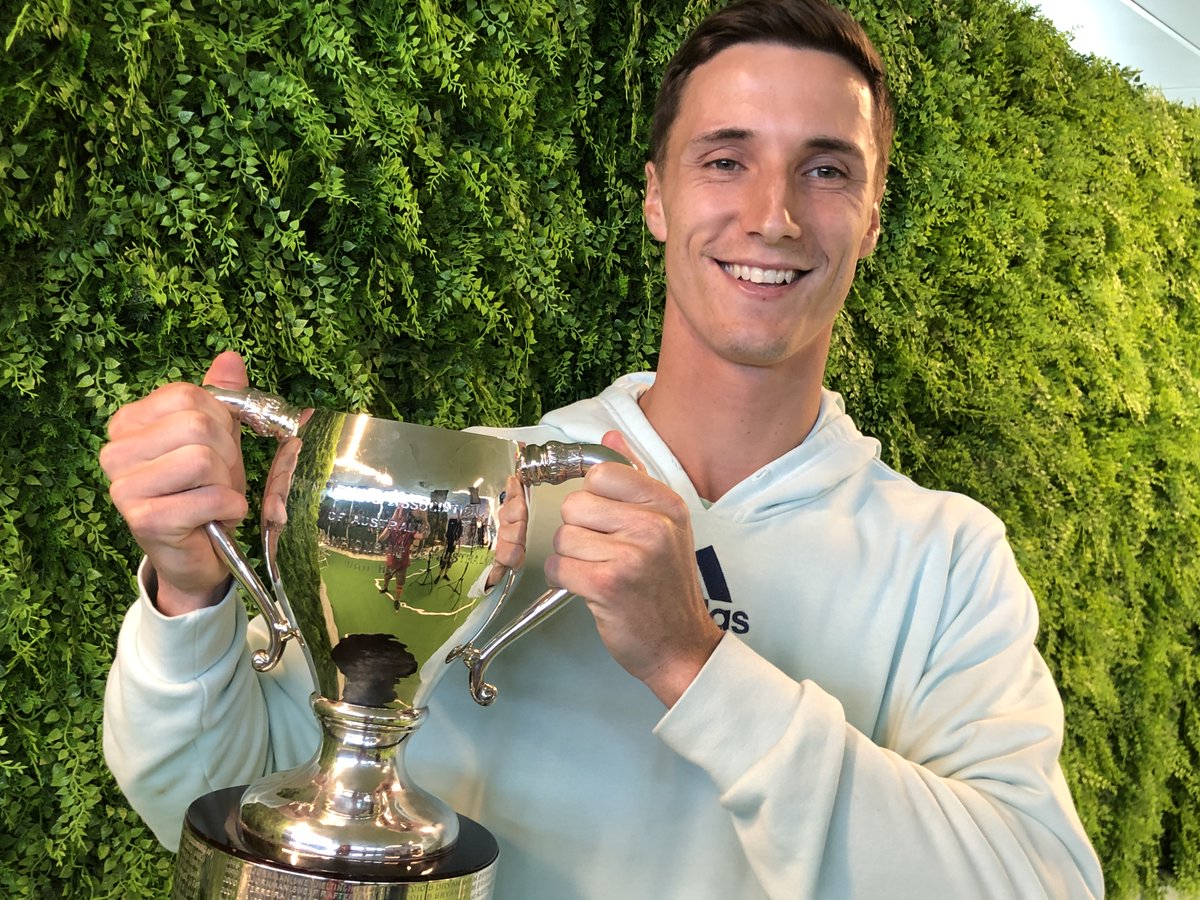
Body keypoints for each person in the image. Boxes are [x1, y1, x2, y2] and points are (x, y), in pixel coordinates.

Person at [99, 0, 1105, 897]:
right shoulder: (466, 492)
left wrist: (696, 663)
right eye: (725, 158)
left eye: (828, 169)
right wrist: (193, 594)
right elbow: (227, 817)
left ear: (873, 219)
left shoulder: (950, 559)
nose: (773, 214)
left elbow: (1038, 882)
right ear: (656, 199)